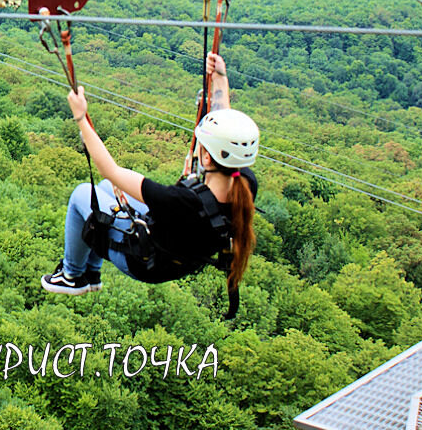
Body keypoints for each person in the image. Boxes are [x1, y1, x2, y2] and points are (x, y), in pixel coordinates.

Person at [41, 52, 259, 309]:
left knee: (82, 193)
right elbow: (228, 128)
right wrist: (220, 78)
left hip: (145, 262)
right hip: (176, 252)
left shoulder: (181, 202)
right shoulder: (244, 182)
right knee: (102, 190)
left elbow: (110, 169)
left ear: (208, 160)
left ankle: (72, 275)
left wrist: (80, 117)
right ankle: (92, 271)